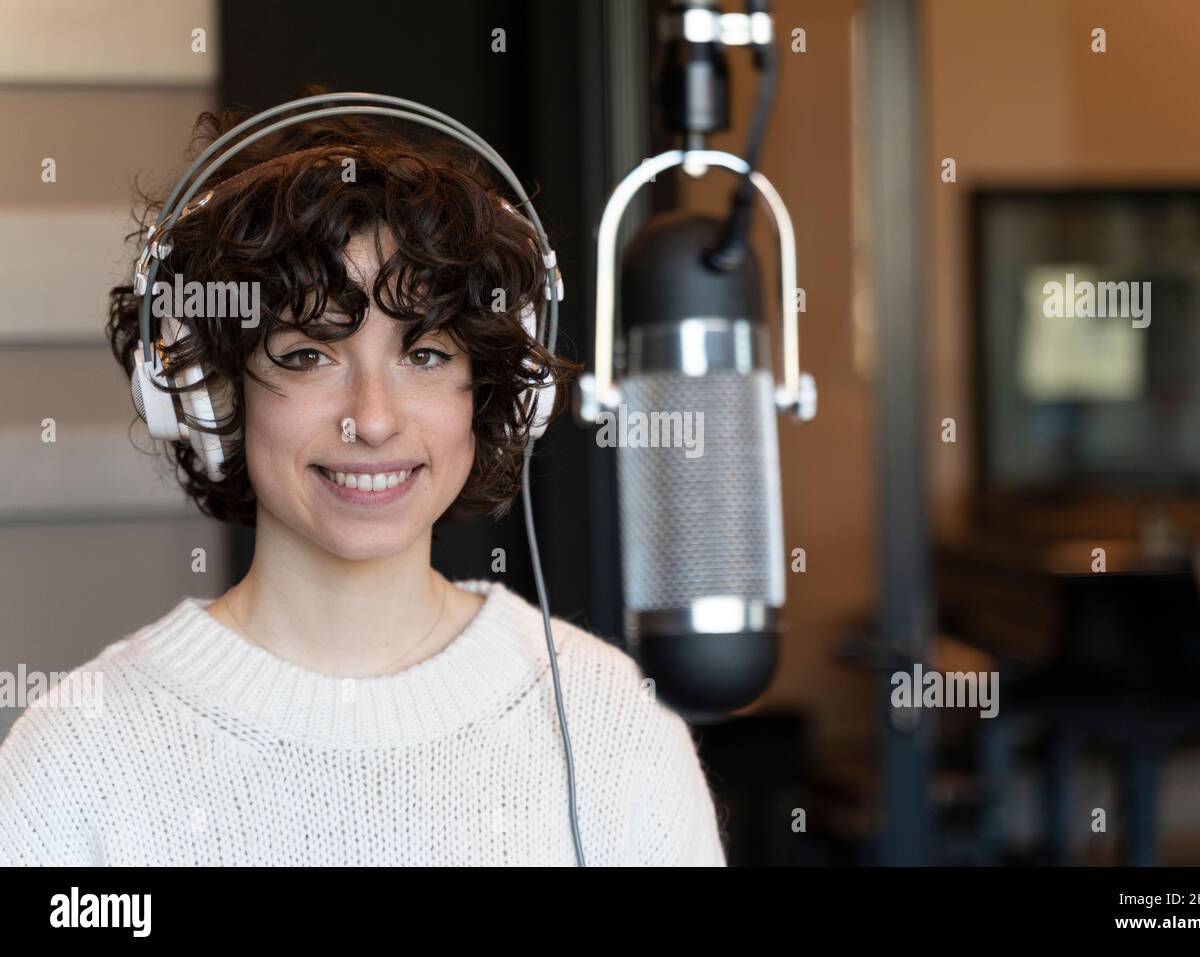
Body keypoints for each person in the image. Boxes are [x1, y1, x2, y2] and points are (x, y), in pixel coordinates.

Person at [0, 99, 727, 867]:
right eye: (309, 354)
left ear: (488, 395)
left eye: (426, 354)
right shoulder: (73, 760)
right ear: (208, 393)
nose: (372, 420)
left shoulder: (612, 725)